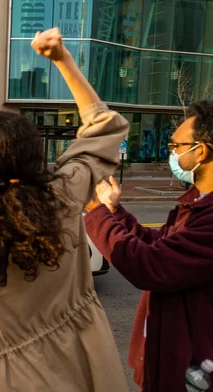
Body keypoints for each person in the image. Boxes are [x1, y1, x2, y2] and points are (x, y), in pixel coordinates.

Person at [0, 28, 129, 392]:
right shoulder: (65, 196)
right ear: (36, 156)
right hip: (83, 364)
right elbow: (104, 126)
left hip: (2, 380)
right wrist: (61, 59)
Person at [84, 100, 213, 392]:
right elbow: (160, 247)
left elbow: (151, 266)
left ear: (201, 151)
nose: (173, 152)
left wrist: (93, 209)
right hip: (170, 361)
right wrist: (113, 211)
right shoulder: (196, 204)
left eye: (176, 145)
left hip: (192, 373)